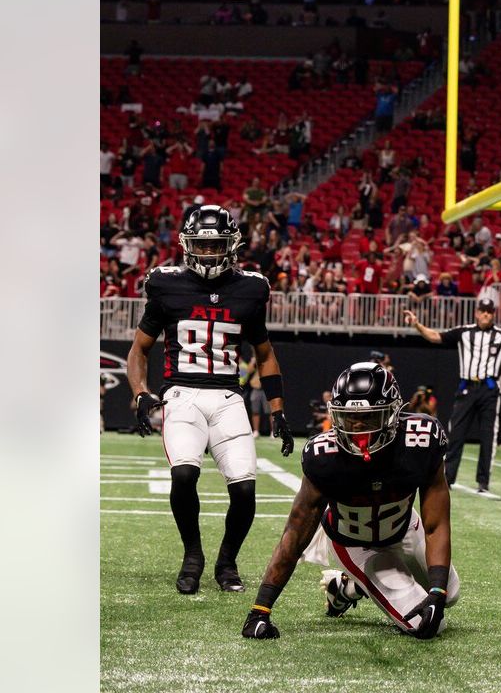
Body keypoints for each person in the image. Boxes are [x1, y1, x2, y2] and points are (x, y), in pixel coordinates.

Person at [127, 205, 294, 595]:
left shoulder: (250, 288)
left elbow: (265, 353)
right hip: (181, 394)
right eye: (200, 245)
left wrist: (277, 409)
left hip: (227, 395)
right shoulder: (166, 285)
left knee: (245, 488)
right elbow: (139, 349)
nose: (206, 253)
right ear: (187, 245)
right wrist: (140, 393)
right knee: (184, 473)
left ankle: (227, 561)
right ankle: (192, 556)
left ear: (231, 246)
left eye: (214, 244)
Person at [241, 363, 462, 640]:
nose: (357, 429)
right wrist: (261, 609)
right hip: (357, 543)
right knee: (427, 625)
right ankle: (359, 577)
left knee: (449, 594)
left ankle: (348, 586)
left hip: (404, 527)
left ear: (393, 414)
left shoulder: (420, 440)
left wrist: (437, 590)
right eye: (348, 419)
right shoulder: (324, 457)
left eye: (368, 419)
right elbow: (295, 534)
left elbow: (436, 524)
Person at [403, 298, 501, 493]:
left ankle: (483, 482)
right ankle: (448, 478)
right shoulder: (464, 332)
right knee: (456, 434)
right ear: (476, 313)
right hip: (467, 388)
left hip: (489, 389)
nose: (486, 314)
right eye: (483, 310)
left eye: (490, 311)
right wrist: (417, 324)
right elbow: (435, 337)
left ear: (494, 314)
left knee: (488, 435)